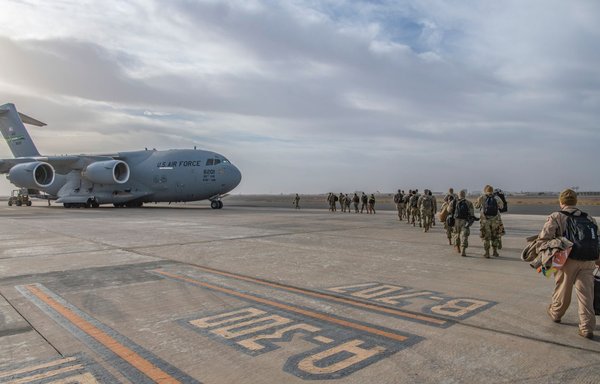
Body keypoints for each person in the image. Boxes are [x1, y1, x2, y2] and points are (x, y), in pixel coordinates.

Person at [540, 189, 600, 339]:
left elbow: (544, 239)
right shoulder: (589, 218)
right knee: (586, 294)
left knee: (563, 289)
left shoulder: (556, 216)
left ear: (561, 202)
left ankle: (556, 313)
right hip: (588, 260)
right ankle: (586, 328)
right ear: (575, 202)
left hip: (567, 259)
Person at [474, 185, 504, 258]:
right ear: (492, 190)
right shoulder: (496, 198)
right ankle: (495, 252)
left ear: (485, 190)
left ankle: (487, 253)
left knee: (486, 237)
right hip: (495, 220)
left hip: (485, 220)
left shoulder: (482, 197)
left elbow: (476, 206)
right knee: (495, 236)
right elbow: (501, 207)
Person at [448, 190, 474, 256]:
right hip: (464, 221)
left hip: (456, 220)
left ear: (458, 195)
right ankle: (463, 250)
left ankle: (457, 247)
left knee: (456, 234)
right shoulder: (468, 202)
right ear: (464, 195)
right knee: (464, 235)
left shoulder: (454, 202)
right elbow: (471, 213)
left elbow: (448, 210)